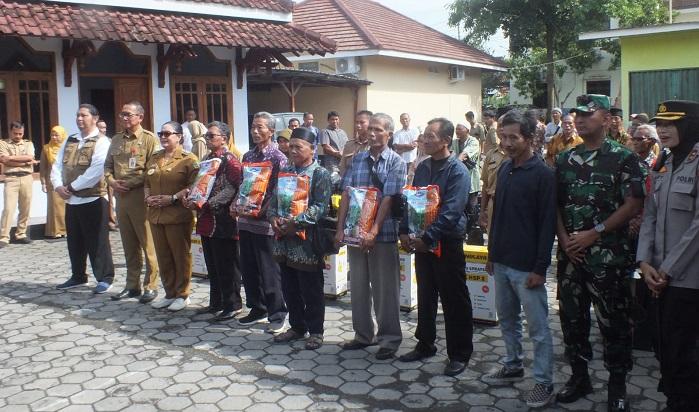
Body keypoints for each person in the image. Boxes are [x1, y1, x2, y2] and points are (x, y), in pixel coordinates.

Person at [555, 95, 645, 412]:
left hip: (608, 257)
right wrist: (565, 240)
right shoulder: (564, 159)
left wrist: (594, 233)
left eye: (587, 115)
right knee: (572, 320)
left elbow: (633, 204)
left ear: (606, 120)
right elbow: (556, 205)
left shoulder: (623, 158)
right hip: (571, 257)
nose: (579, 120)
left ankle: (617, 386)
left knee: (614, 323)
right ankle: (579, 377)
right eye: (577, 115)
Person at [483, 109, 556, 408]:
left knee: (538, 329)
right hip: (501, 262)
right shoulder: (504, 168)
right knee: (508, 320)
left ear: (530, 138)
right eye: (503, 137)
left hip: (527, 268)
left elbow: (547, 225)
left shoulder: (543, 175)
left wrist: (540, 268)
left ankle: (544, 382)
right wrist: (492, 253)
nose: (507, 143)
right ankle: (513, 364)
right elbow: (497, 215)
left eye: (513, 137)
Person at [398, 117, 473, 377]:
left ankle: (459, 354)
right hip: (422, 242)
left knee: (454, 298)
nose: (424, 140)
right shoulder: (423, 166)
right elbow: (412, 200)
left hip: (446, 242)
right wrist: (405, 231)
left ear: (445, 140)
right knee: (426, 294)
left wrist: (428, 238)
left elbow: (452, 211)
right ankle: (425, 343)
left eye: (430, 136)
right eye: (424, 136)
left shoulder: (457, 171)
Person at [637, 100, 699, 412]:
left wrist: (667, 270)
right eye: (659, 124)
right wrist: (644, 262)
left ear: (689, 125)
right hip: (657, 276)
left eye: (671, 123)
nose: (662, 130)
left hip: (688, 280)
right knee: (664, 347)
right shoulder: (664, 161)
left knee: (685, 352)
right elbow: (649, 215)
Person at [335, 113, 406, 360]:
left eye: (378, 130)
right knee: (358, 286)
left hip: (382, 234)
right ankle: (363, 335)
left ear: (389, 134)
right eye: (371, 129)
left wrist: (374, 231)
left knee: (385, 290)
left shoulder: (396, 162)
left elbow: (388, 198)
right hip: (355, 233)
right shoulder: (358, 159)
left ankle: (389, 339)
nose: (372, 133)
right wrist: (340, 228)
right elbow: (347, 193)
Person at [269, 127, 332, 350]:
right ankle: (297, 326)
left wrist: (295, 222)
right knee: (289, 287)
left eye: (299, 147)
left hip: (307, 243)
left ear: (312, 149)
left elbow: (321, 207)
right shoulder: (286, 170)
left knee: (311, 288)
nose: (293, 150)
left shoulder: (320, 174)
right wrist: (273, 217)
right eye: (291, 146)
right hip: (284, 241)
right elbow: (274, 200)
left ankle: (316, 331)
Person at [233, 111, 288, 331]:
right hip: (245, 220)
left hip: (265, 223)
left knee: (269, 270)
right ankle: (257, 308)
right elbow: (243, 185)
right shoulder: (248, 156)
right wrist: (236, 204)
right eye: (253, 127)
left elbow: (279, 190)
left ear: (271, 131)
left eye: (260, 127)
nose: (255, 131)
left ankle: (277, 314)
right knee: (249, 268)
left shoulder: (278, 158)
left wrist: (262, 210)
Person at [51, 104, 115, 293]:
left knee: (97, 242)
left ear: (95, 118)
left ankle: (105, 278)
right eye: (77, 115)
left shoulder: (102, 142)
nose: (79, 119)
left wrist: (71, 187)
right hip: (72, 200)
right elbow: (57, 165)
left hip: (93, 199)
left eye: (84, 115)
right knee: (75, 241)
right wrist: (58, 186)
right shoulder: (70, 140)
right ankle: (78, 276)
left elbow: (95, 171)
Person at [185, 121, 243, 321]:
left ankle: (233, 304)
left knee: (227, 265)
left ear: (224, 139)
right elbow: (200, 183)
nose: (207, 139)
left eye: (211, 136)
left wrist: (209, 203)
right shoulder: (207, 159)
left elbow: (234, 187)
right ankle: (216, 302)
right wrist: (193, 197)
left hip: (223, 220)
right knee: (213, 264)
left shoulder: (230, 160)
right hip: (206, 219)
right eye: (206, 136)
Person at [104, 102, 161, 304]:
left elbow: (152, 168)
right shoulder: (116, 139)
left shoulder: (149, 139)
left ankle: (151, 285)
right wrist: (111, 182)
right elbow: (107, 166)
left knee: (147, 243)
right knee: (129, 244)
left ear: (140, 117)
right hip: (121, 197)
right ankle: (132, 285)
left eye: (128, 114)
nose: (124, 118)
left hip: (139, 196)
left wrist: (130, 183)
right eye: (122, 114)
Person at [145, 121, 198, 311]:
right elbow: (147, 181)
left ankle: (182, 294)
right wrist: (147, 197)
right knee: (163, 256)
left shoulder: (189, 159)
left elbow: (194, 186)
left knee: (180, 255)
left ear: (179, 136)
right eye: (161, 133)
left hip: (177, 215)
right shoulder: (155, 157)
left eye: (167, 134)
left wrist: (173, 198)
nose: (163, 137)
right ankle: (169, 293)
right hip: (156, 215)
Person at [0, 121, 36, 247]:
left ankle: (21, 234)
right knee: (8, 208)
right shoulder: (3, 143)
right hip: (11, 179)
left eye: (20, 133)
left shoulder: (28, 143)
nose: (18, 136)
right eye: (15, 133)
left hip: (27, 178)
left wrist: (11, 158)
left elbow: (30, 156)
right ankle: (4, 237)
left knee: (25, 207)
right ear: (10, 131)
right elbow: (4, 160)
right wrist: (25, 162)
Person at [479, 120, 507, 234]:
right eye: (499, 126)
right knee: (493, 239)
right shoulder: (491, 154)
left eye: (505, 125)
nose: (501, 129)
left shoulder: (518, 155)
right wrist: (482, 211)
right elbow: (485, 184)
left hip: (512, 205)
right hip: (493, 203)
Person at [39, 126, 67, 239]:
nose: (54, 137)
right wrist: (43, 182)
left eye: (57, 135)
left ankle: (67, 229)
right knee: (55, 207)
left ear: (62, 136)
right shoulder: (46, 149)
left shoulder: (67, 148)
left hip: (66, 181)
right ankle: (56, 231)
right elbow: (43, 167)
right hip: (52, 182)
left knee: (67, 206)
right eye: (52, 135)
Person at [453, 123, 481, 236]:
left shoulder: (473, 141)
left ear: (467, 130)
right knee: (460, 205)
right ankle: (462, 231)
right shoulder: (454, 142)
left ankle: (471, 231)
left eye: (460, 129)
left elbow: (464, 154)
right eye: (456, 129)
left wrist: (455, 162)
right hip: (458, 179)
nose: (457, 131)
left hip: (471, 178)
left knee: (471, 206)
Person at [97, 120, 118, 232]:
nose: (103, 130)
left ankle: (111, 221)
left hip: (108, 173)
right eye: (101, 127)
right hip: (97, 174)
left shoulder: (109, 141)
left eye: (105, 127)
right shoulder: (92, 142)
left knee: (110, 197)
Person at [339, 110, 372, 177]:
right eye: (357, 122)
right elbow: (342, 168)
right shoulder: (349, 145)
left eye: (362, 122)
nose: (358, 125)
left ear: (370, 124)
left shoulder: (375, 145)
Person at [319, 111, 348, 181]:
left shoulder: (343, 132)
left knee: (343, 182)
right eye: (332, 119)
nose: (335, 121)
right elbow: (326, 147)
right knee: (334, 183)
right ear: (328, 120)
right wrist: (337, 154)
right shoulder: (325, 131)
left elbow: (347, 145)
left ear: (339, 120)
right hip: (332, 165)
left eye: (336, 119)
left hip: (344, 163)